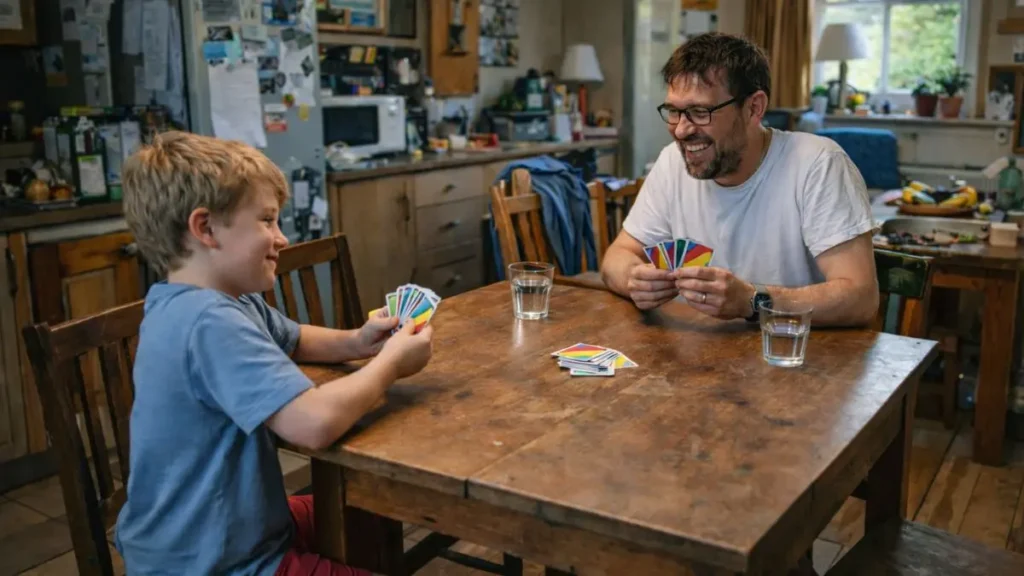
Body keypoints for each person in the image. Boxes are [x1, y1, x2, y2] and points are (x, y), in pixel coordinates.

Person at [114, 131, 433, 575]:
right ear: (205, 228)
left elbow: (295, 338)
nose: (282, 238)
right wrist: (391, 364)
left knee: (371, 509)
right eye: (267, 221)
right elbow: (312, 425)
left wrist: (359, 341)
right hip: (212, 561)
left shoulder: (216, 299)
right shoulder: (207, 321)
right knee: (371, 511)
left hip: (229, 529)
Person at [600, 33, 878, 327]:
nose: (681, 130)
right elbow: (616, 257)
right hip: (697, 356)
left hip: (795, 360)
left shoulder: (818, 164)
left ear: (754, 108)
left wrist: (751, 301)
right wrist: (634, 279)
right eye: (673, 111)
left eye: (699, 111)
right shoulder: (671, 161)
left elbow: (861, 297)